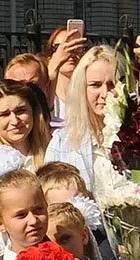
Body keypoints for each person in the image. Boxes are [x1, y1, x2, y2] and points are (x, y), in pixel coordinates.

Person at [44, 43, 125, 189]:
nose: (105, 94)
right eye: (95, 85)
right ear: (82, 88)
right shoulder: (62, 142)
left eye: (112, 84)